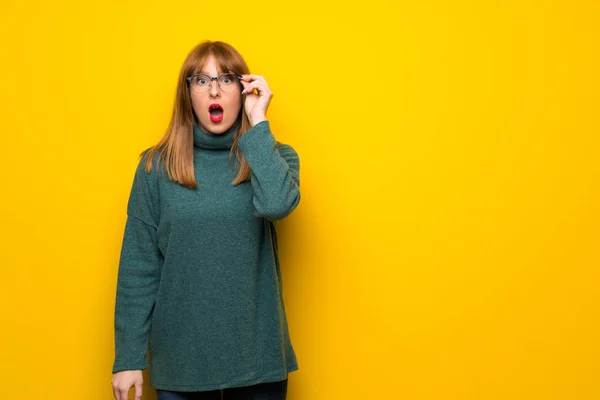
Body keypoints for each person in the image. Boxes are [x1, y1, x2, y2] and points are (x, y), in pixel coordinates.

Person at [110, 40, 301, 400]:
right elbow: (139, 267)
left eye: (227, 79)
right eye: (201, 80)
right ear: (188, 94)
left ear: (243, 89)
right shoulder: (156, 167)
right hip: (182, 362)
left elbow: (278, 205)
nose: (214, 89)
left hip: (257, 360)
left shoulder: (273, 157)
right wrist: (128, 358)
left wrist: (258, 122)